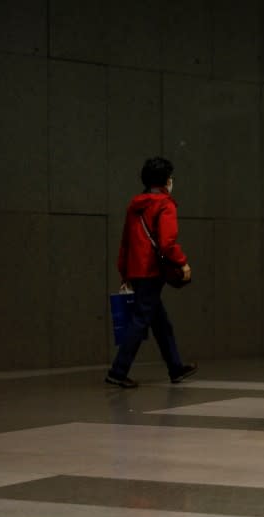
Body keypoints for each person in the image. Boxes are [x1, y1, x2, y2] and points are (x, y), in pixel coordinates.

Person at [106, 157, 197, 388]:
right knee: (140, 321)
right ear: (166, 181)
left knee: (160, 322)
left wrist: (124, 271)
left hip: (136, 270)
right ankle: (118, 371)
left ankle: (175, 368)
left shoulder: (135, 205)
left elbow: (125, 242)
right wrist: (183, 262)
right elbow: (167, 243)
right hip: (152, 271)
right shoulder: (165, 205)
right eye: (171, 178)